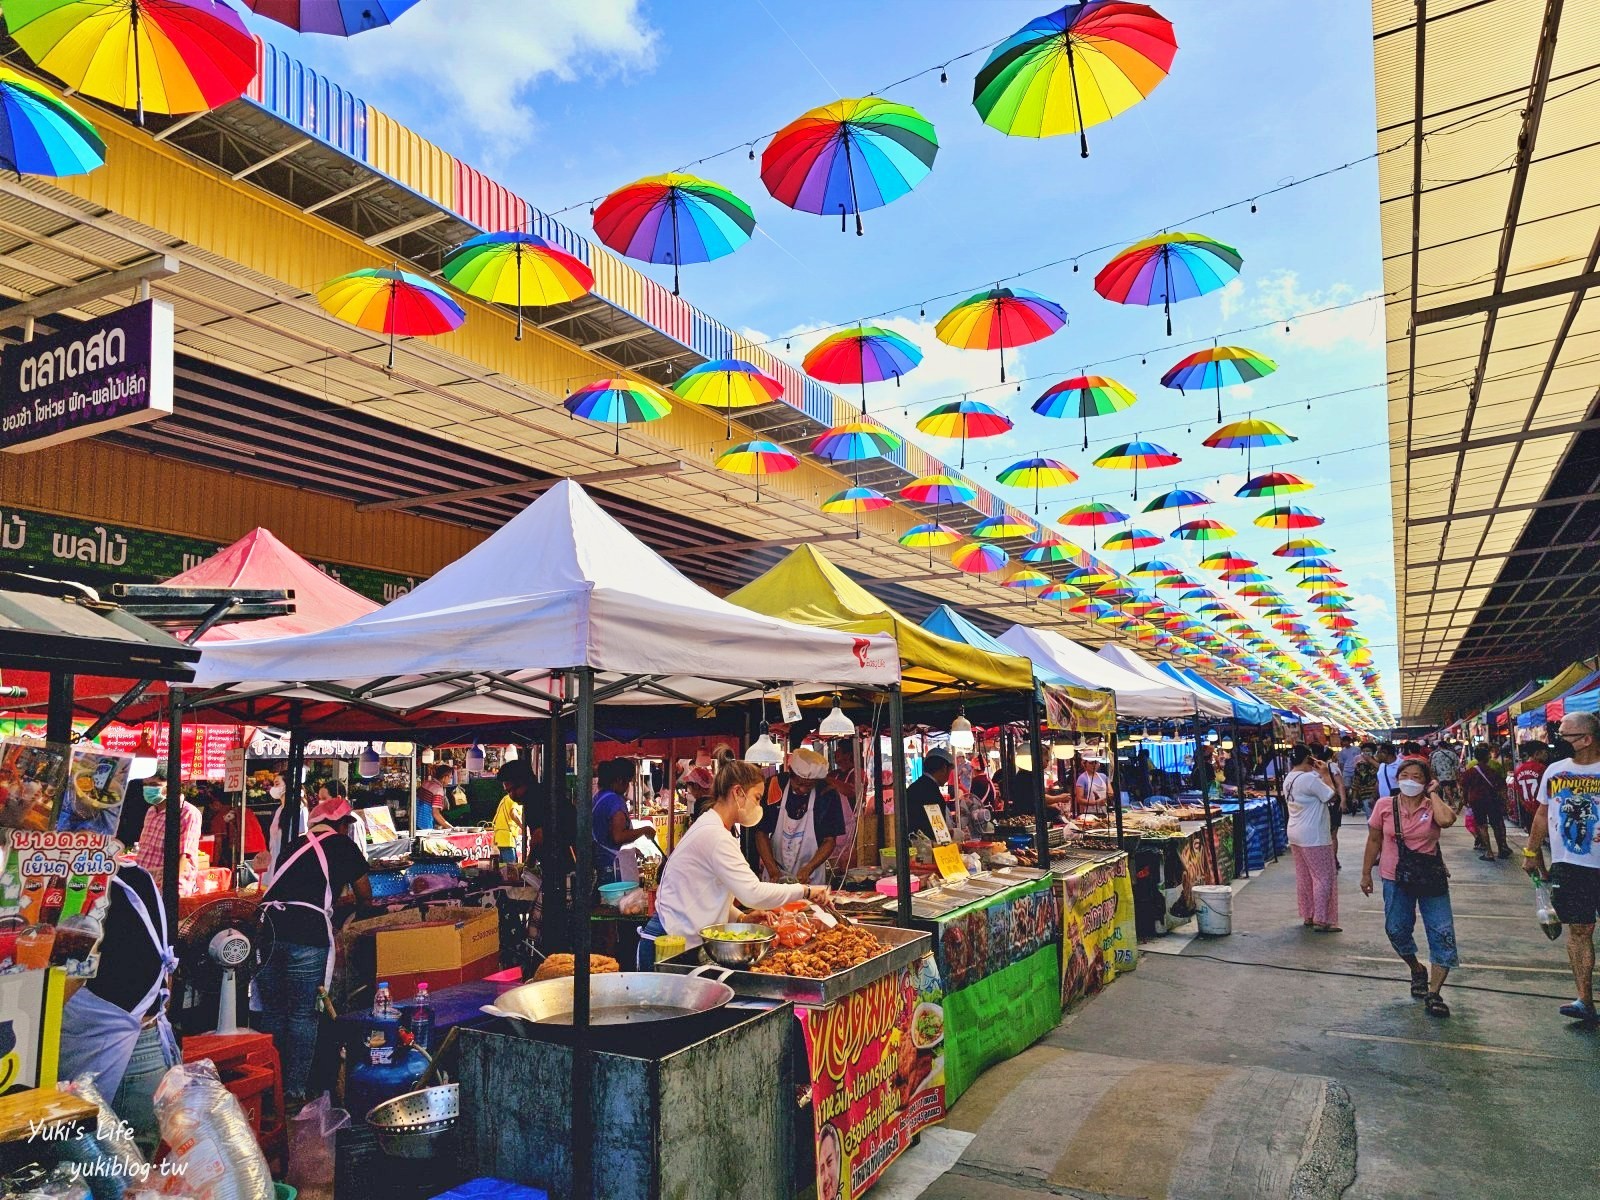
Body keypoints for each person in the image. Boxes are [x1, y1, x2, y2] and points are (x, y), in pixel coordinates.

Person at [640, 759, 828, 968]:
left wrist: (740, 918)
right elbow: (753, 894)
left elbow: (706, 893)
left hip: (677, 940)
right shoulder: (715, 836)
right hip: (669, 945)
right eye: (757, 798)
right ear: (738, 793)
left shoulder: (713, 828)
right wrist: (807, 890)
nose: (758, 806)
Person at [256, 795, 373, 1104]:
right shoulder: (343, 846)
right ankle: (293, 1091)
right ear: (340, 824)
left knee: (273, 1014)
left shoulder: (295, 845)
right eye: (347, 824)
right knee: (302, 1015)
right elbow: (366, 894)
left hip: (267, 932)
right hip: (306, 936)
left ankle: (269, 1087)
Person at [56, 862, 177, 1153]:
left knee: (101, 1183)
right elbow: (165, 972)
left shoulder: (81, 885)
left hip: (116, 1066)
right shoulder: (136, 876)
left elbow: (60, 989)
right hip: (148, 1052)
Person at [1360, 758, 1458, 1018]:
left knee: (1442, 932)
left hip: (1430, 878)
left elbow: (1448, 820)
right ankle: (1416, 968)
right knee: (1396, 929)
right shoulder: (1384, 806)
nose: (1410, 781)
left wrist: (1434, 794)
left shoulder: (1432, 806)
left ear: (1427, 782)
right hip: (1395, 877)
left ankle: (1434, 993)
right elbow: (1373, 840)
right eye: (1405, 775)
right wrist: (1365, 874)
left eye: (1417, 777)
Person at [1523, 711, 1600, 1025]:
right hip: (1570, 866)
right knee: (1579, 930)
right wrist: (1530, 852)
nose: (1556, 741)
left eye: (1564, 735)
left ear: (1586, 739)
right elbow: (1542, 815)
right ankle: (1584, 1000)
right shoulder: (1554, 771)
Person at [754, 748, 845, 884]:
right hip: (775, 871)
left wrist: (808, 868)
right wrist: (773, 871)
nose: (802, 789)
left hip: (810, 876)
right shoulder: (775, 785)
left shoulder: (827, 793)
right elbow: (761, 832)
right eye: (799, 783)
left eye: (808, 786)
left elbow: (829, 841)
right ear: (791, 773)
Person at [1284, 746, 1340, 932]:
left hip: (1295, 832)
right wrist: (1325, 773)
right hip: (1314, 835)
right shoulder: (1309, 779)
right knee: (1323, 877)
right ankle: (1322, 919)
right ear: (1309, 759)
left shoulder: (1289, 778)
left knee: (1305, 876)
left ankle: (1309, 914)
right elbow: (1331, 796)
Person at [132, 782, 202, 896]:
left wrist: (169, 886)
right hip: (144, 882)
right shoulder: (151, 811)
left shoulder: (187, 812)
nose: (149, 789)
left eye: (155, 784)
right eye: (146, 784)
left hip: (168, 887)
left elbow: (184, 854)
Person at [592, 757, 651, 882]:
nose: (627, 787)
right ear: (619, 781)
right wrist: (645, 830)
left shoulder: (599, 797)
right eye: (628, 782)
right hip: (612, 867)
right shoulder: (615, 801)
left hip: (600, 863)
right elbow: (618, 836)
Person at [1460, 743, 1512, 862]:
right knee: (1496, 825)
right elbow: (1501, 786)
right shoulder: (1494, 768)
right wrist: (1506, 802)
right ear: (1488, 756)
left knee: (1482, 825)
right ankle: (1501, 849)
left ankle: (1489, 852)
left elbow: (1464, 787)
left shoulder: (1470, 770)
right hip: (1493, 801)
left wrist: (1465, 800)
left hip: (1476, 801)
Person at [493, 759, 540, 863]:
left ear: (529, 781)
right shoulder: (527, 802)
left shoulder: (537, 800)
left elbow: (539, 835)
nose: (512, 795)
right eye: (509, 791)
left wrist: (529, 864)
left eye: (516, 788)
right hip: (504, 839)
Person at [264, 774, 308, 884]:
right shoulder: (279, 810)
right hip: (275, 861)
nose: (274, 788)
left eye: (277, 784)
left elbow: (302, 836)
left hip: (290, 863)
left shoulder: (299, 808)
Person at [905, 750, 955, 843]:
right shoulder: (931, 792)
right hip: (925, 847)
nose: (949, 776)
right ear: (944, 768)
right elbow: (938, 832)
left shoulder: (915, 786)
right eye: (950, 771)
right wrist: (954, 834)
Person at [1511, 742, 1549, 832]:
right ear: (1537, 754)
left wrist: (1525, 804)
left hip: (1527, 809)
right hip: (1542, 809)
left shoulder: (1518, 770)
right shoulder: (1542, 768)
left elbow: (1518, 792)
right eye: (1545, 752)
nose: (1547, 755)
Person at [416, 763, 455, 831]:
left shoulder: (426, 783)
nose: (450, 780)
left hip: (415, 822)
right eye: (450, 777)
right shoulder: (438, 790)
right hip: (425, 826)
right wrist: (451, 828)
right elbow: (435, 813)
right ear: (444, 777)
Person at [1350, 742, 1379, 815]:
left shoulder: (1379, 763)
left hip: (1379, 794)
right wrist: (1354, 797)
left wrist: (1370, 760)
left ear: (1373, 752)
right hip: (1365, 794)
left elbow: (1382, 769)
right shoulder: (1360, 765)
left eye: (1368, 751)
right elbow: (1356, 781)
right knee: (1370, 817)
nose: (1365, 753)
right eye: (1364, 751)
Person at [1430, 740, 1461, 805]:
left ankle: (1453, 803)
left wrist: (1434, 775)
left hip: (1442, 775)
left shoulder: (1436, 754)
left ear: (1439, 746)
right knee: (1451, 788)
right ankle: (1451, 801)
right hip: (1452, 774)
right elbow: (1457, 765)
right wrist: (1457, 774)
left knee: (1446, 789)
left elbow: (1433, 766)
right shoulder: (1452, 753)